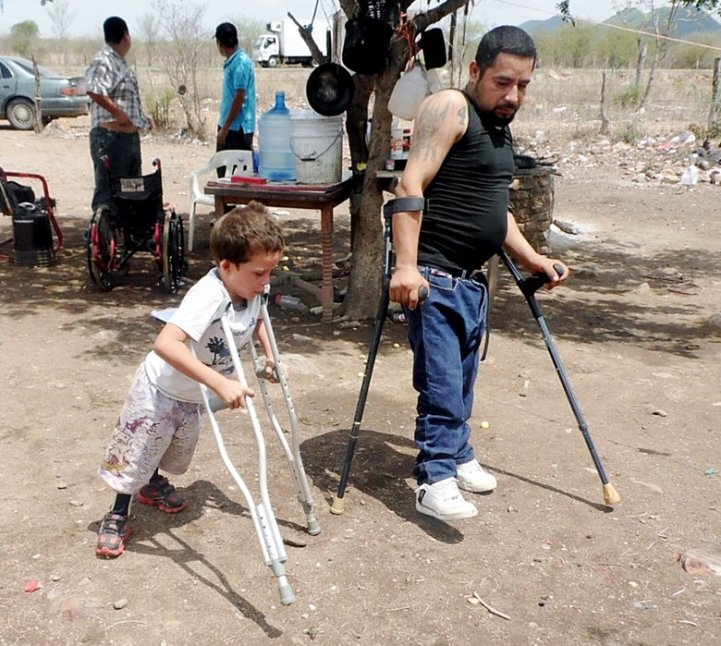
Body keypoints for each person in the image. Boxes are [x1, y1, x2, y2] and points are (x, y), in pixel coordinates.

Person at [389, 26, 570, 523]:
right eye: (502, 82)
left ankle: (457, 453)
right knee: (442, 384)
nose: (513, 95)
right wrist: (405, 267)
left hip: (472, 281)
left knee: (463, 382)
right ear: (475, 71)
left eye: (523, 85)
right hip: (433, 275)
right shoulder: (450, 106)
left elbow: (495, 210)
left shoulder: (497, 123)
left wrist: (533, 258)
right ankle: (434, 477)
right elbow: (410, 185)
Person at [95, 202, 285, 558]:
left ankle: (150, 483)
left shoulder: (250, 291)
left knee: (171, 449)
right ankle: (117, 514)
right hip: (161, 390)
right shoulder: (208, 295)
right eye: (259, 273)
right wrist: (220, 383)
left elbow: (258, 319)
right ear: (226, 266)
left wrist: (270, 356)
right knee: (140, 450)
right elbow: (166, 343)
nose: (266, 282)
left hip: (192, 394)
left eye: (271, 272)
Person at [85, 16, 152, 213]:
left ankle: (131, 238)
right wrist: (118, 113)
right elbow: (94, 89)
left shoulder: (120, 62)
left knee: (132, 190)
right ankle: (105, 239)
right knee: (108, 192)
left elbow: (126, 98)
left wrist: (142, 119)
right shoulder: (104, 60)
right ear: (125, 36)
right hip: (110, 138)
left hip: (129, 139)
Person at [214, 22, 256, 166]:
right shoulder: (232, 62)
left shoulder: (240, 62)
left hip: (237, 128)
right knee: (223, 169)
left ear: (219, 43)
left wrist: (225, 129)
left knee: (238, 174)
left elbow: (240, 97)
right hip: (228, 125)